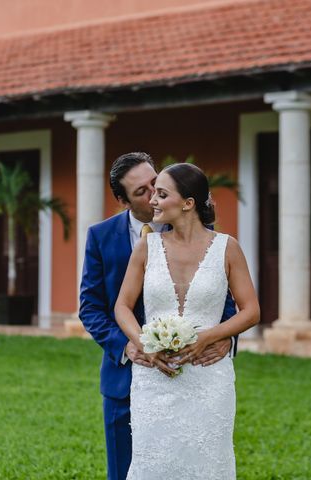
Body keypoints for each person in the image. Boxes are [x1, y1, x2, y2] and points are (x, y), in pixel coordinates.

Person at [79, 153, 238, 480]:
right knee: (129, 471)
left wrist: (226, 336)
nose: (153, 194)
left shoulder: (202, 232)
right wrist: (130, 347)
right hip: (128, 377)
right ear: (123, 200)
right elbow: (92, 307)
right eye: (142, 191)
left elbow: (218, 294)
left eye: (156, 183)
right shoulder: (101, 237)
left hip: (198, 373)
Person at [114, 162, 260, 479]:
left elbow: (251, 310)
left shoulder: (227, 248)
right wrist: (143, 344)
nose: (152, 200)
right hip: (154, 377)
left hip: (208, 376)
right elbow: (122, 306)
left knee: (208, 462)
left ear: (188, 203)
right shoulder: (146, 246)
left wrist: (210, 336)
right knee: (153, 463)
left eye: (162, 194)